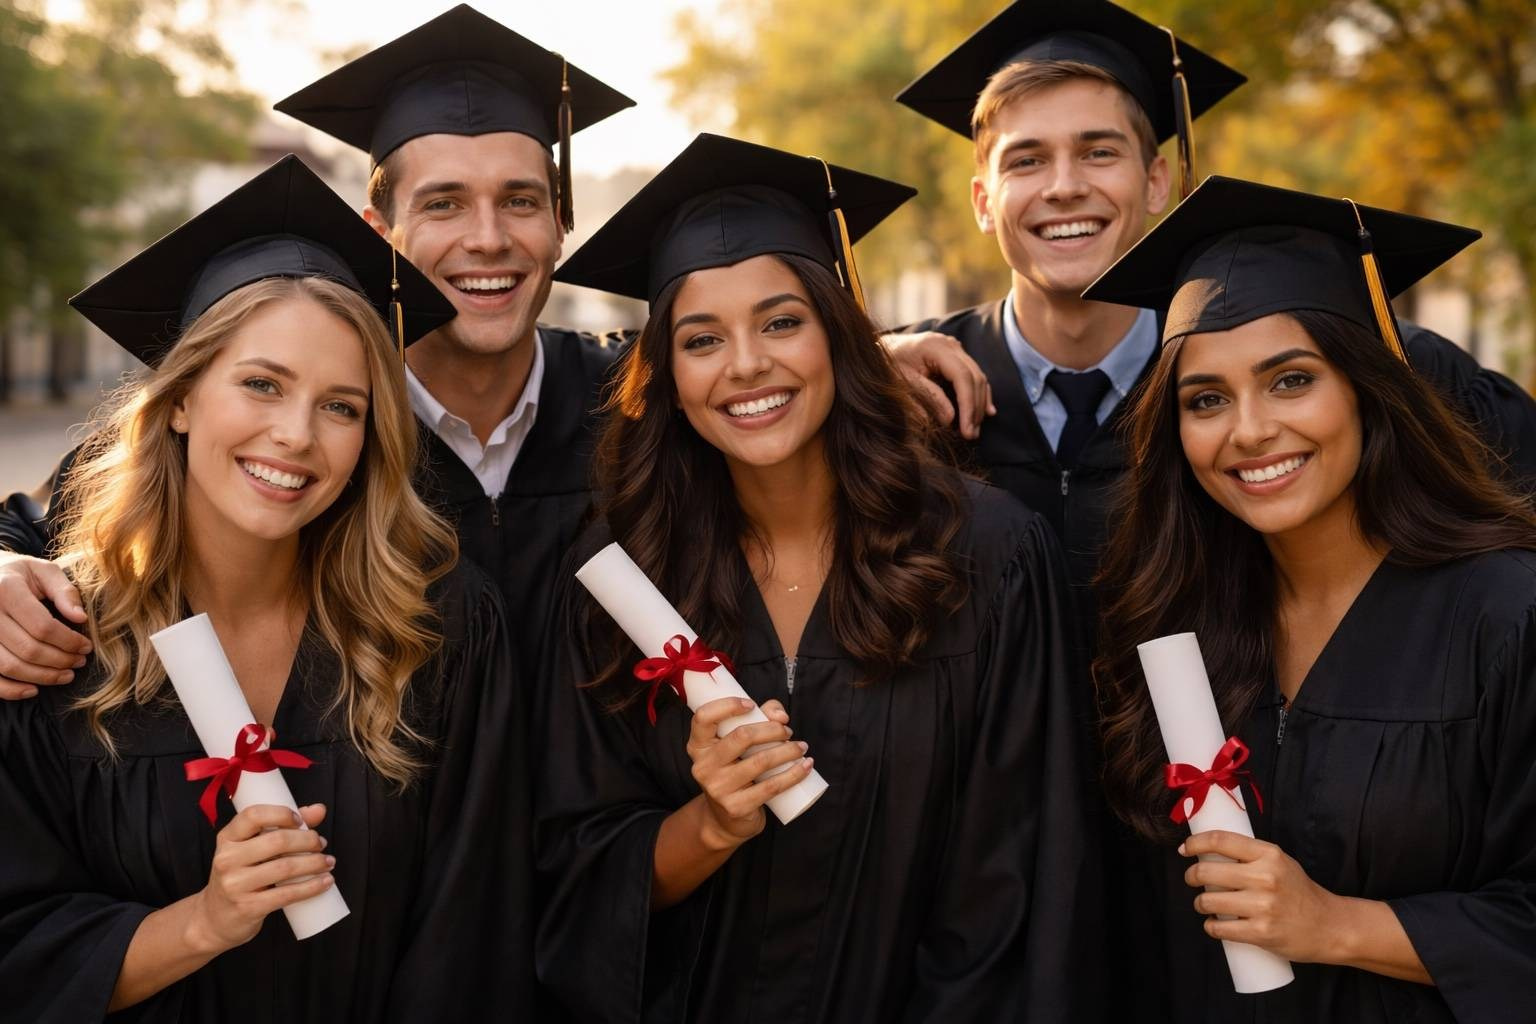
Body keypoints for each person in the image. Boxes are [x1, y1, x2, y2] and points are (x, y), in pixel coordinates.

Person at [0, 3, 988, 703]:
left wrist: (860, 349)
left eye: (520, 200)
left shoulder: (634, 403)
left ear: (561, 221)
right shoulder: (302, 430)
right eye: (442, 203)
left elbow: (761, 383)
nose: (488, 238)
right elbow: (71, 526)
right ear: (377, 226)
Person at [537, 134, 1102, 1023]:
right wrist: (712, 824)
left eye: (781, 321)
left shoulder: (985, 555)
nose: (747, 364)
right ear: (670, 375)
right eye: (701, 339)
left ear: (841, 337)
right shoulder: (621, 581)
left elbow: (1021, 877)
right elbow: (573, 873)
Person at [0, 156, 527, 1021]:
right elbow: (18, 948)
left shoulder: (435, 632)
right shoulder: (52, 641)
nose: (295, 436)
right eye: (261, 384)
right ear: (179, 399)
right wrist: (206, 922)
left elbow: (474, 936)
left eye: (342, 406)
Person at [891, 0, 1536, 614]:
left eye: (1099, 151)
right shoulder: (912, 389)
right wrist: (864, 361)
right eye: (1027, 160)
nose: (1065, 187)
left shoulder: (1317, 362)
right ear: (982, 200)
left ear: (1156, 182)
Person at [1088, 176, 1536, 1022]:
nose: (1249, 430)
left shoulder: (1507, 617)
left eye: (1291, 380)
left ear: (1369, 388)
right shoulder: (1180, 622)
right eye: (1206, 399)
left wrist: (1333, 925)